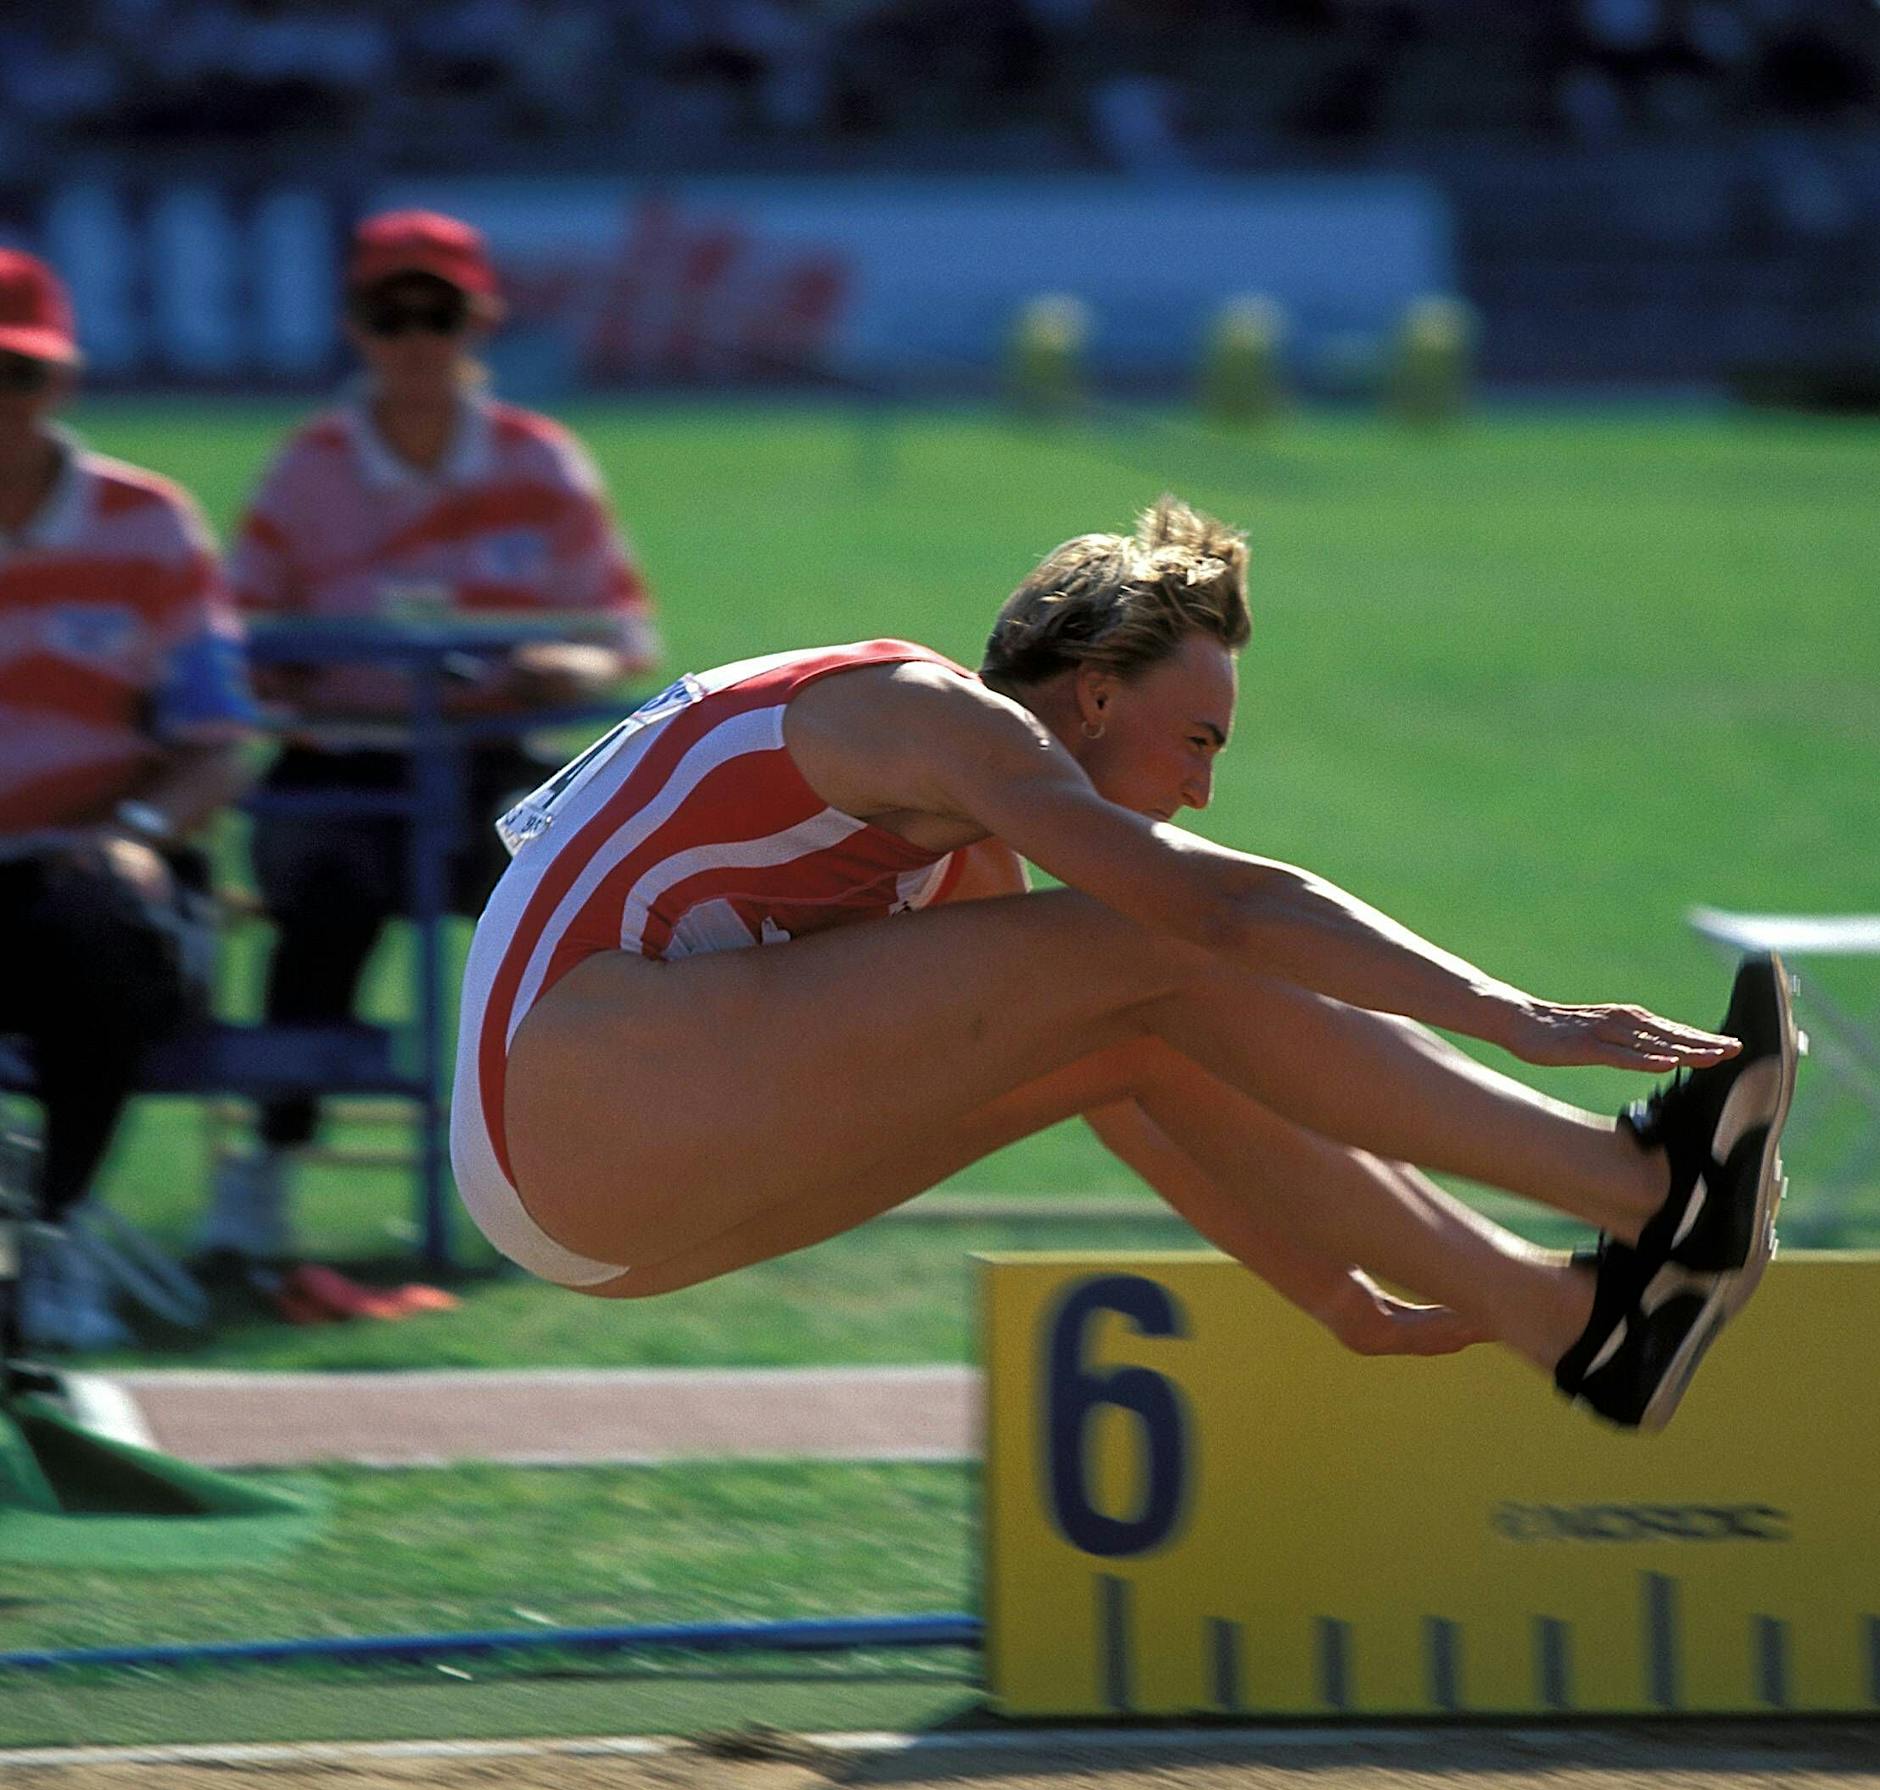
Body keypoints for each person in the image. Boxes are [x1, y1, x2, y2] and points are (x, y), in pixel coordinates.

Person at [451, 496, 1797, 1433]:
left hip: (596, 1214)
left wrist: (1337, 1302)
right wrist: (1517, 1016)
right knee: (1161, 937)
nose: (1202, 790)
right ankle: (1645, 1188)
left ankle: (1573, 1329)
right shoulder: (924, 719)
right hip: (571, 1097)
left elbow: (1127, 1086)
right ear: (1096, 693)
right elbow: (1215, 916)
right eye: (1198, 740)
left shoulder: (958, 846)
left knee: (1130, 1016)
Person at [198, 209, 659, 1265]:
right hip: (340, 763)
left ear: (480, 321)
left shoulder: (543, 461)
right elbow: (240, 638)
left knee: (571, 925)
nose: (413, 338)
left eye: (435, 313)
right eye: (387, 313)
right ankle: (267, 1168)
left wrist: (566, 668)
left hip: (496, 764)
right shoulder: (303, 469)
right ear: (356, 327)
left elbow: (618, 632)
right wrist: (301, 668)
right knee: (316, 912)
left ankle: (562, 1180)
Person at [0, 248, 256, 1354]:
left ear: (61, 383)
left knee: (100, 933)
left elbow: (220, 739)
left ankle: (53, 1230)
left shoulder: (148, 523)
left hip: (97, 862)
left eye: (18, 376)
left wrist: (136, 834)